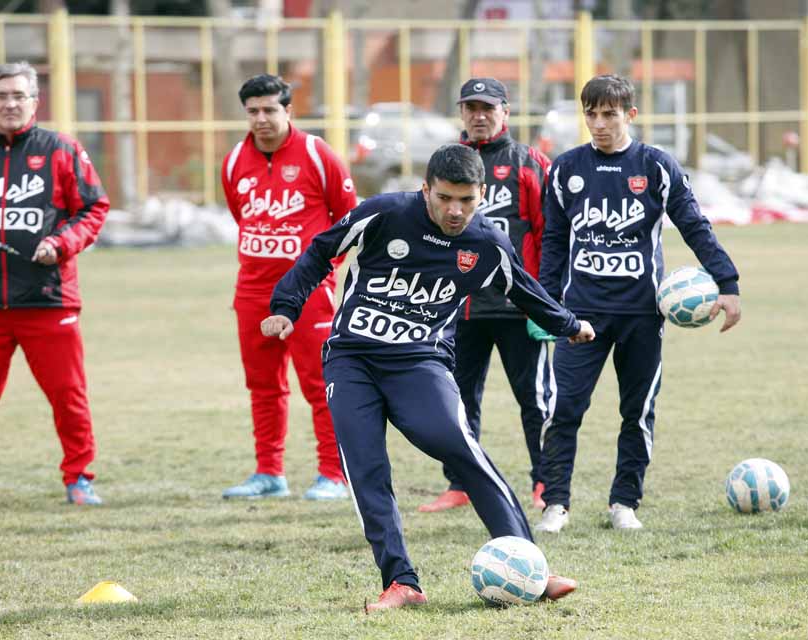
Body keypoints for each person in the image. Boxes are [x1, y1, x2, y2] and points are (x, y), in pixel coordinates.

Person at [261, 143, 595, 611]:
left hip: (419, 363)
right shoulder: (383, 215)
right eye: (444, 199)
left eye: (466, 200)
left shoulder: (486, 243)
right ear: (426, 190)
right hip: (352, 360)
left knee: (463, 450)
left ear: (482, 193)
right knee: (367, 469)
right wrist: (285, 306)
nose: (455, 211)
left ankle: (532, 569)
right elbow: (320, 252)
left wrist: (568, 324)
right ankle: (402, 582)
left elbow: (524, 289)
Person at [535, 75, 741, 533]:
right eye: (591, 113)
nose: (599, 123)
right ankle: (556, 504)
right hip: (579, 316)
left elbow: (694, 225)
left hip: (642, 316)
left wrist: (727, 282)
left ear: (630, 114)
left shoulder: (655, 166)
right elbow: (552, 240)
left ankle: (624, 503)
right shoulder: (565, 169)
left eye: (609, 114)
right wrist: (546, 304)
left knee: (638, 411)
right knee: (564, 409)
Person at [0, 61, 110, 508]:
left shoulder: (61, 150)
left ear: (34, 101)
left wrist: (62, 244)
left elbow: (93, 209)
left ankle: (79, 479)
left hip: (48, 300)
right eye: (1, 95)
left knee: (68, 396)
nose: (10, 103)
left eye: (19, 95)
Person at [418, 77, 554, 514]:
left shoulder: (528, 162)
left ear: (505, 112)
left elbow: (550, 233)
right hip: (459, 309)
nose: (479, 116)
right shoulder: (444, 164)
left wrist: (545, 300)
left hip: (518, 308)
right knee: (456, 402)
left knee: (535, 399)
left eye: (487, 108)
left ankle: (546, 482)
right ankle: (460, 484)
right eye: (470, 107)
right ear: (461, 112)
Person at [220, 74, 357, 500]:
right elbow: (241, 218)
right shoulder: (233, 162)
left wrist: (321, 269)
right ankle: (269, 473)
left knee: (320, 384)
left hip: (309, 293)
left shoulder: (317, 154)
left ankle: (333, 474)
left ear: (288, 111)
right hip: (252, 293)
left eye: (269, 110)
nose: (261, 119)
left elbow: (348, 218)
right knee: (262, 385)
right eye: (253, 111)